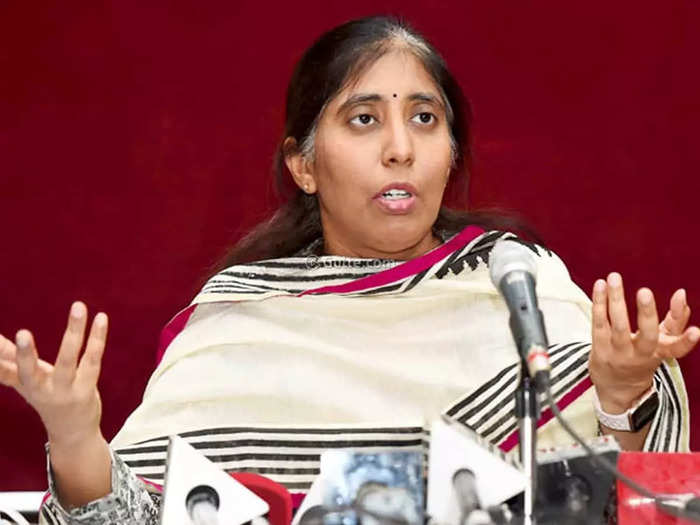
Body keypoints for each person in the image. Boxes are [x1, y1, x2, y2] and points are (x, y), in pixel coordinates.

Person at [0, 15, 696, 525]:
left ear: (452, 153)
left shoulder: (521, 288)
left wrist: (622, 398)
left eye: (424, 119)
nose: (400, 148)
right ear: (303, 164)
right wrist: (75, 438)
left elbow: (642, 503)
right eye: (364, 119)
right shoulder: (238, 327)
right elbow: (142, 520)